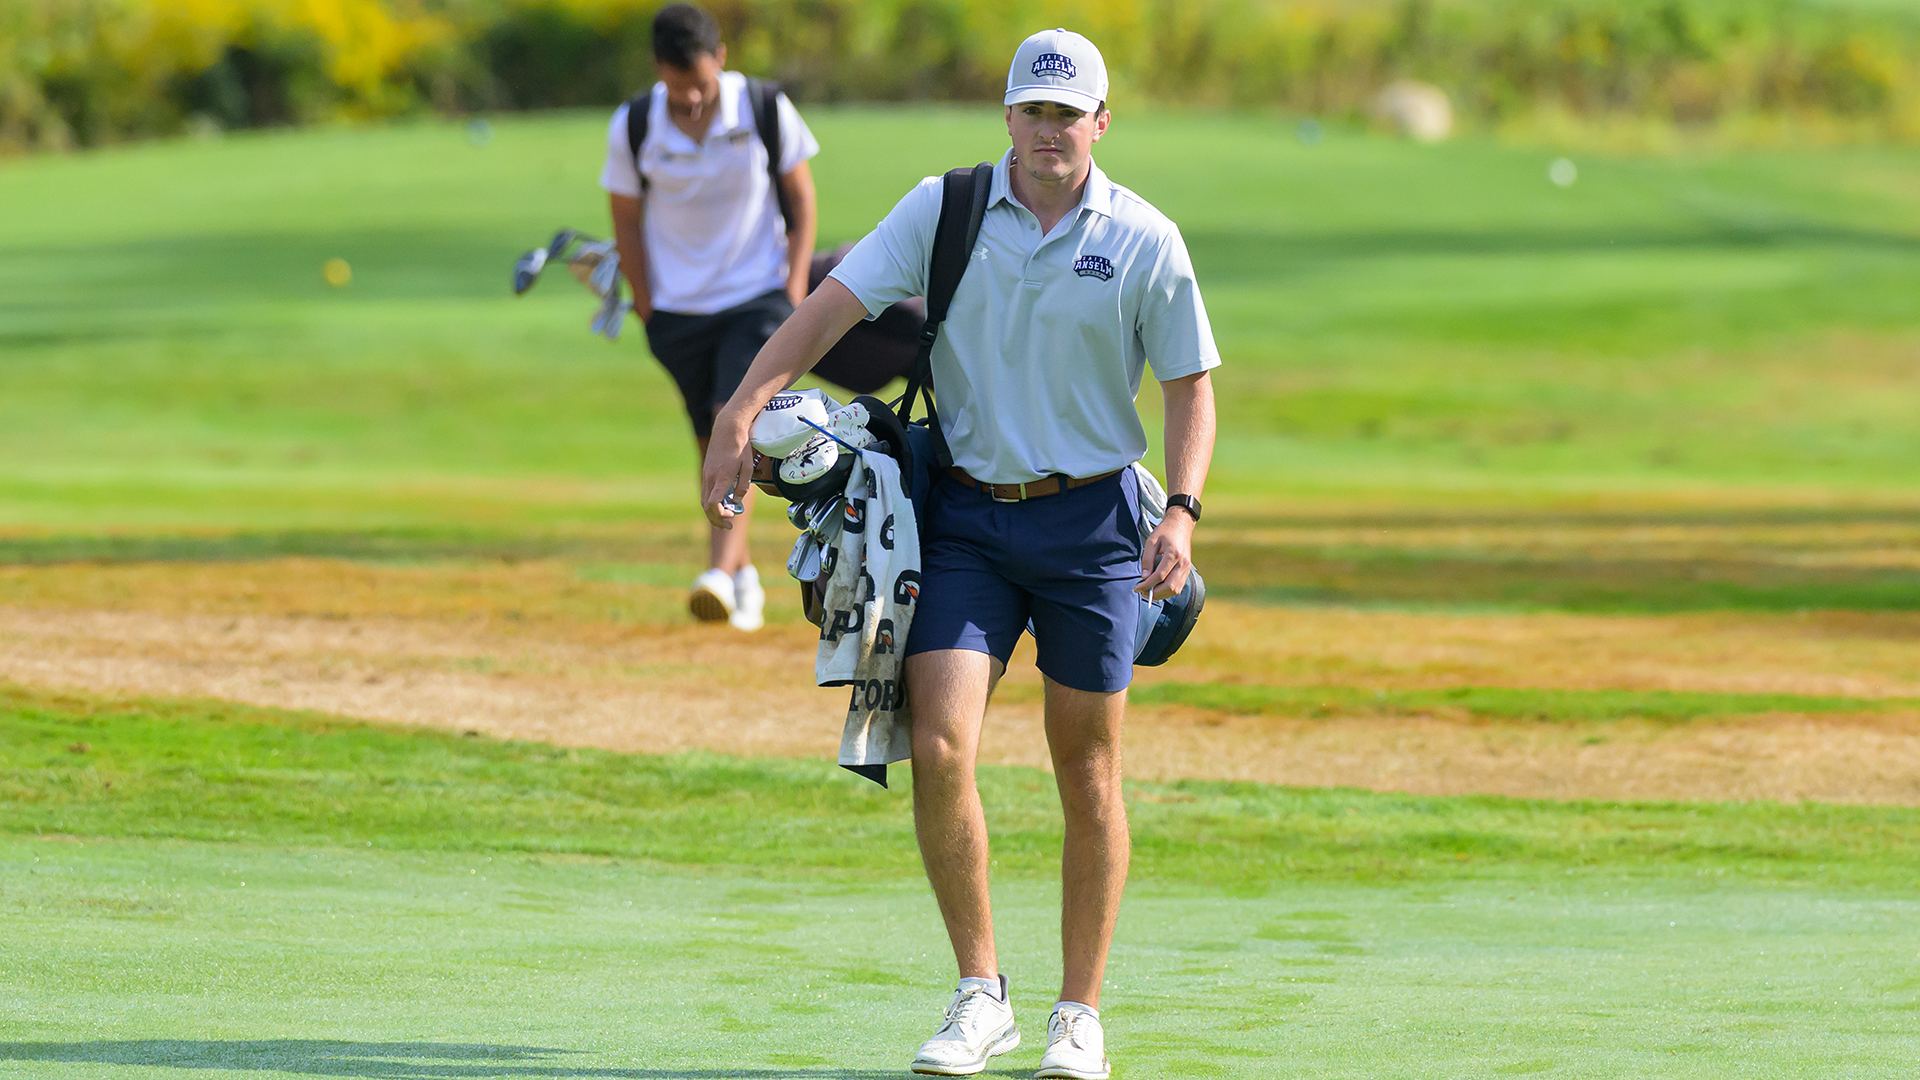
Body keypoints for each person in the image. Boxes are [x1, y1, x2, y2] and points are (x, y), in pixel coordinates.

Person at [698, 27, 1218, 1080]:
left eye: (1069, 114)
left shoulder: (1146, 238)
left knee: (1087, 766)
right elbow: (826, 312)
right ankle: (981, 993)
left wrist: (1183, 512)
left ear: (1101, 123)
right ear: (1010, 117)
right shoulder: (947, 210)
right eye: (1033, 110)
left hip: (1092, 530)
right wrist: (744, 404)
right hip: (969, 518)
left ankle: (1082, 1014)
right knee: (938, 744)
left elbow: (1190, 386)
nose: (1049, 130)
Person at [602, 2, 820, 631]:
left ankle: (719, 573)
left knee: (737, 421)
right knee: (708, 434)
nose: (691, 100)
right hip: (676, 310)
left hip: (755, 296)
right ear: (658, 72)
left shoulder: (763, 107)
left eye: (699, 84)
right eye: (678, 87)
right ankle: (746, 577)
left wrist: (794, 286)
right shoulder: (636, 123)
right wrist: (646, 305)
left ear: (720, 60)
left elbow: (801, 200)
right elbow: (623, 217)